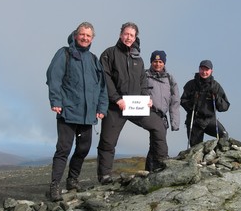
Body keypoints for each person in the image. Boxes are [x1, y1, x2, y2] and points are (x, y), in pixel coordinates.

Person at [97, 22, 168, 184]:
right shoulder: (109, 54)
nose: (129, 38)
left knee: (158, 126)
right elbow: (105, 79)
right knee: (108, 142)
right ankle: (104, 176)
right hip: (116, 106)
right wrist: (116, 99)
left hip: (136, 105)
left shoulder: (139, 60)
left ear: (135, 37)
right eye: (126, 34)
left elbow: (142, 82)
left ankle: (162, 162)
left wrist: (146, 98)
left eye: (132, 35)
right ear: (121, 34)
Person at [46, 22, 108, 202]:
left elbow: (102, 86)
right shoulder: (64, 53)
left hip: (88, 114)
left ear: (92, 38)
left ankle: (72, 179)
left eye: (88, 36)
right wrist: (55, 101)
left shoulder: (93, 59)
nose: (85, 38)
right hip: (68, 111)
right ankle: (55, 185)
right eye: (82, 34)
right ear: (76, 35)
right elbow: (53, 77)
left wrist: (101, 108)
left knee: (83, 148)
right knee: (63, 149)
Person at [180, 60, 230, 147]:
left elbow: (225, 106)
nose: (204, 72)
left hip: (210, 120)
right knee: (195, 148)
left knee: (224, 135)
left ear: (211, 71)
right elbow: (183, 100)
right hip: (194, 120)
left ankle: (216, 157)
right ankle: (197, 159)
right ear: (199, 69)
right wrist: (192, 104)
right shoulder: (191, 84)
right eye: (202, 69)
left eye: (207, 70)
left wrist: (216, 97)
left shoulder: (215, 86)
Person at [145, 50, 180, 171]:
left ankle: (150, 170)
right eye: (155, 61)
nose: (158, 64)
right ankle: (158, 168)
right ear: (151, 62)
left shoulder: (169, 79)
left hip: (162, 117)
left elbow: (175, 102)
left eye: (160, 62)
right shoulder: (144, 76)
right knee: (159, 144)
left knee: (155, 144)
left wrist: (174, 122)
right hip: (149, 114)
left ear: (164, 62)